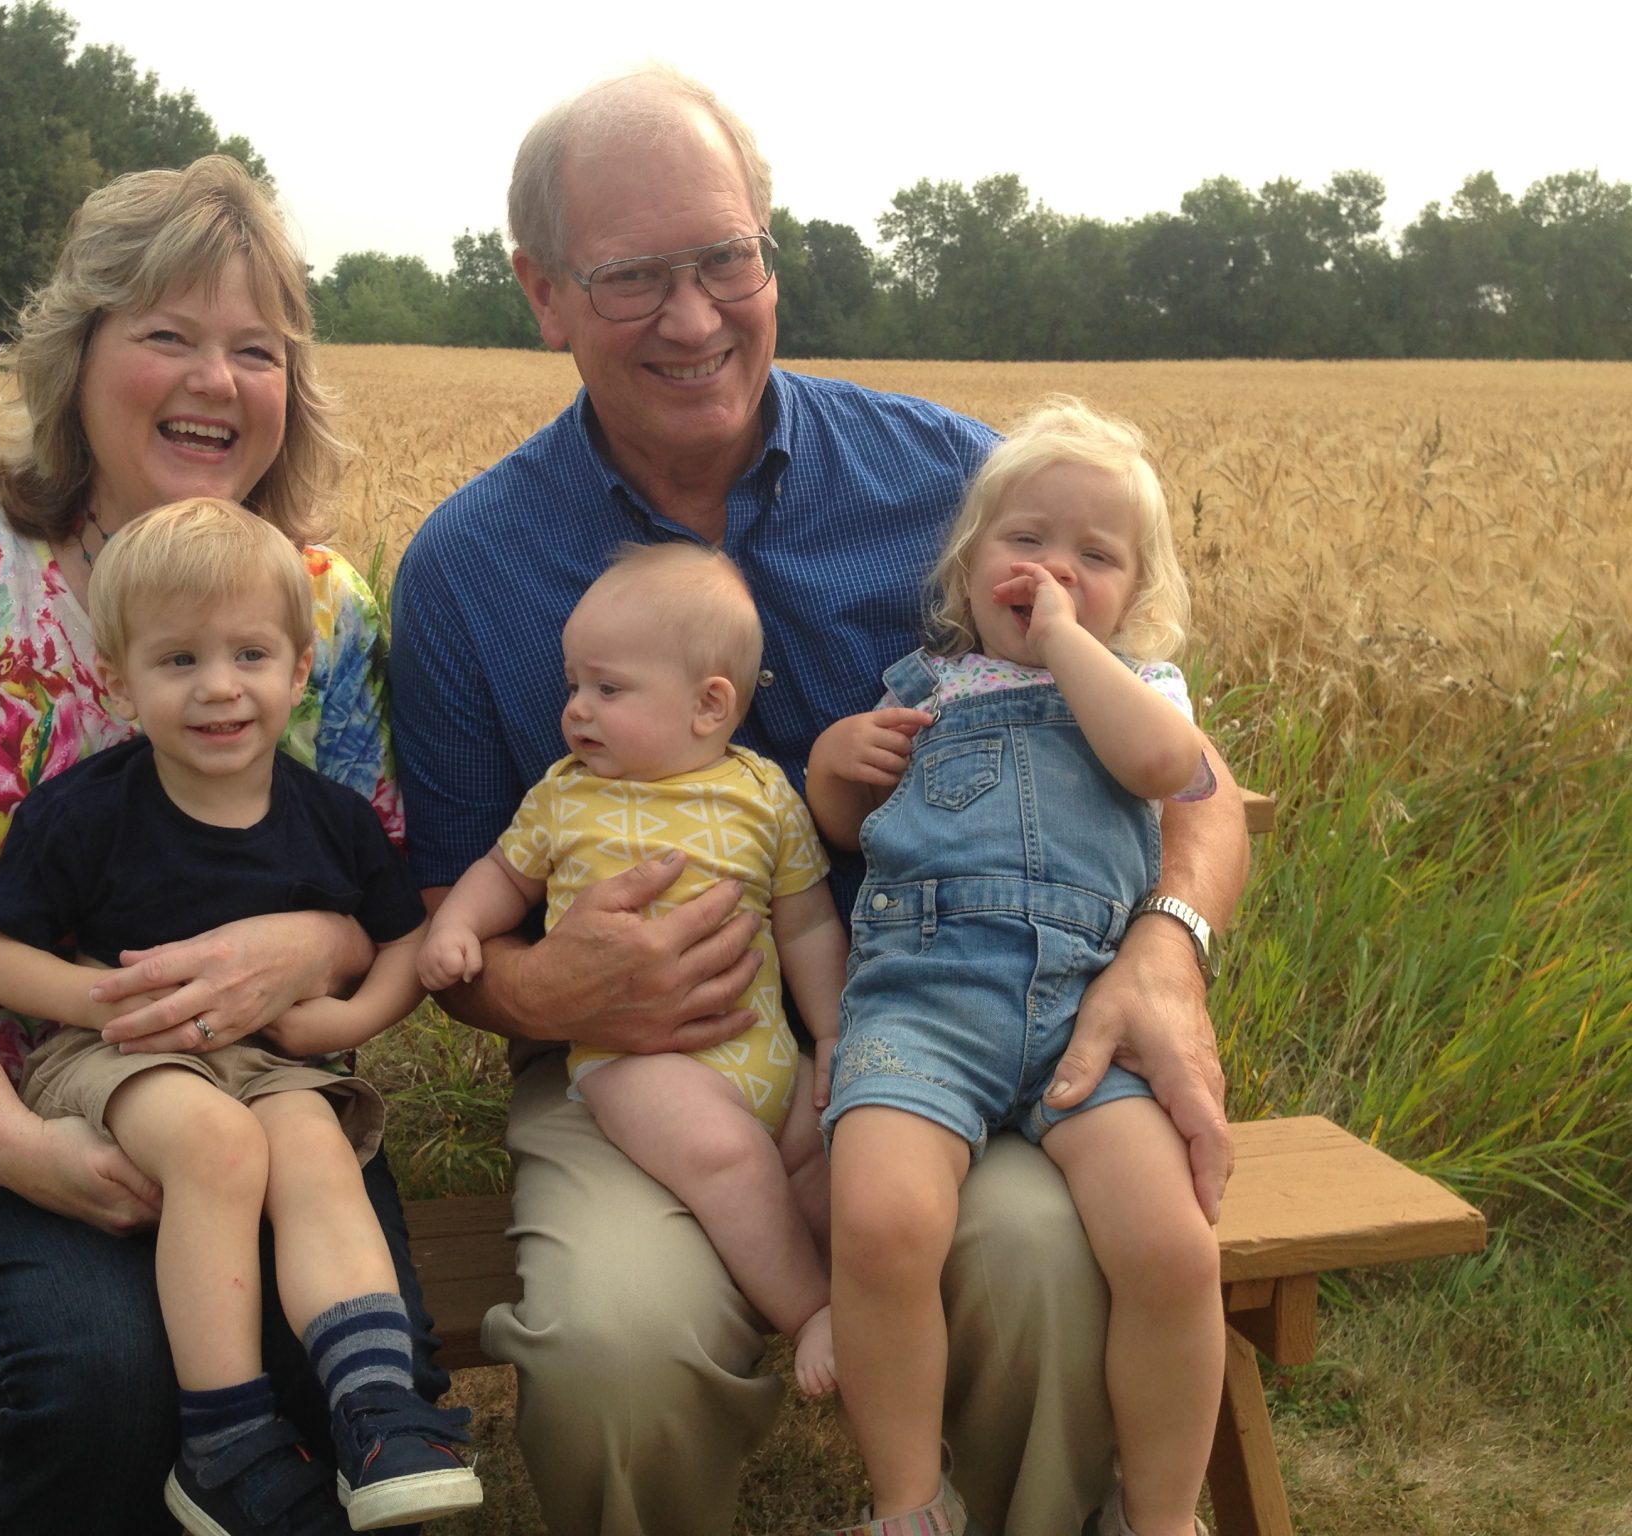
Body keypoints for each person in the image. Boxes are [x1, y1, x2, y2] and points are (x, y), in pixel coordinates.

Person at [388, 66, 1250, 1536]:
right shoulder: (469, 567)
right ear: (541, 294)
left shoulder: (959, 487)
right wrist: (548, 985)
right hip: (643, 1067)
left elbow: (1197, 779)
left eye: (726, 257)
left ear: (769, 250)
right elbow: (446, 924)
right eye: (631, 276)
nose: (695, 314)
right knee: (608, 1352)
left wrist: (1167, 944)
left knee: (1046, 1266)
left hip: (955, 1015)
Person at [0, 155, 451, 1536]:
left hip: (260, 1097)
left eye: (254, 350)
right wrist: (10, 1134)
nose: (215, 379)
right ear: (76, 357)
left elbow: (371, 866)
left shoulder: (318, 606)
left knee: (354, 1379)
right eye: (166, 335)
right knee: (99, 1374)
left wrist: (312, 941)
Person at [0, 498, 480, 1536]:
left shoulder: (327, 819)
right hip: (113, 1055)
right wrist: (99, 1000)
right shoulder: (84, 812)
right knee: (218, 1145)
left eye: (249, 654)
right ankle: (225, 1437)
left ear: (298, 670)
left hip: (271, 1059)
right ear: (117, 681)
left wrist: (343, 1026)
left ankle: (378, 1409)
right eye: (179, 660)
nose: (218, 688)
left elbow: (397, 946)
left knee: (315, 1146)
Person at [807, 400, 1223, 1536]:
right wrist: (831, 766)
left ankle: (1159, 1513)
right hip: (922, 1003)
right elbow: (848, 833)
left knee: (1172, 1251)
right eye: (1025, 542)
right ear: (966, 568)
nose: (1055, 569)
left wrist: (1067, 647)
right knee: (881, 1221)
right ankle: (907, 1503)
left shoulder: (1139, 695)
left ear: (1134, 598)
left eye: (1096, 557)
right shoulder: (926, 685)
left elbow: (1161, 767)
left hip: (1081, 1015)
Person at [417, 543, 845, 1395]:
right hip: (643, 1067)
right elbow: (505, 874)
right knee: (726, 1160)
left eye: (607, 690)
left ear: (708, 704)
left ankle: (871, 1308)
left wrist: (831, 1034)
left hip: (761, 1050)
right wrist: (459, 928)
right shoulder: (566, 795)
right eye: (574, 685)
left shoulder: (764, 793)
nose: (576, 710)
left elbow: (805, 924)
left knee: (824, 1162)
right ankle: (811, 1313)